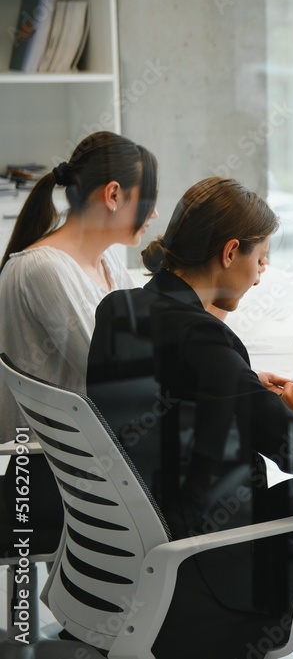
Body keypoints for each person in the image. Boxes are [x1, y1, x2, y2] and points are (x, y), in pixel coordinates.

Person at [86, 177, 293, 657]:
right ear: (230, 252)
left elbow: (169, 391)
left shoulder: (118, 308)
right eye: (260, 259)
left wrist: (238, 383)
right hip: (207, 562)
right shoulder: (203, 338)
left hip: (126, 549)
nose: (260, 275)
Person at [0, 131, 158, 541]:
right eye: (149, 199)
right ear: (113, 195)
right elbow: (115, 375)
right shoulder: (43, 270)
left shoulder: (104, 262)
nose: (154, 213)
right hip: (48, 474)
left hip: (88, 462)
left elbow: (146, 346)